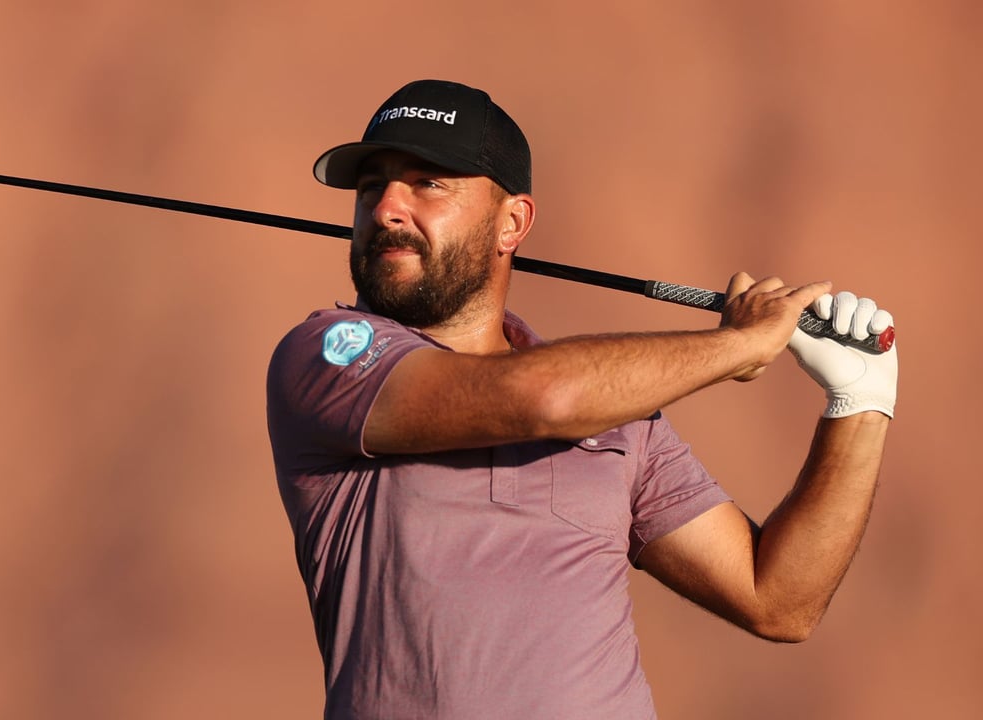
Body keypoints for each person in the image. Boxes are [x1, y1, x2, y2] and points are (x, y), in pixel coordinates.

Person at [265, 79, 897, 719]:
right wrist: (744, 343)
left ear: (512, 222)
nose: (386, 209)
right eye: (372, 187)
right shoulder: (330, 353)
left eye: (427, 183)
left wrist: (860, 402)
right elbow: (545, 397)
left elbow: (778, 600)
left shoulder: (623, 416)